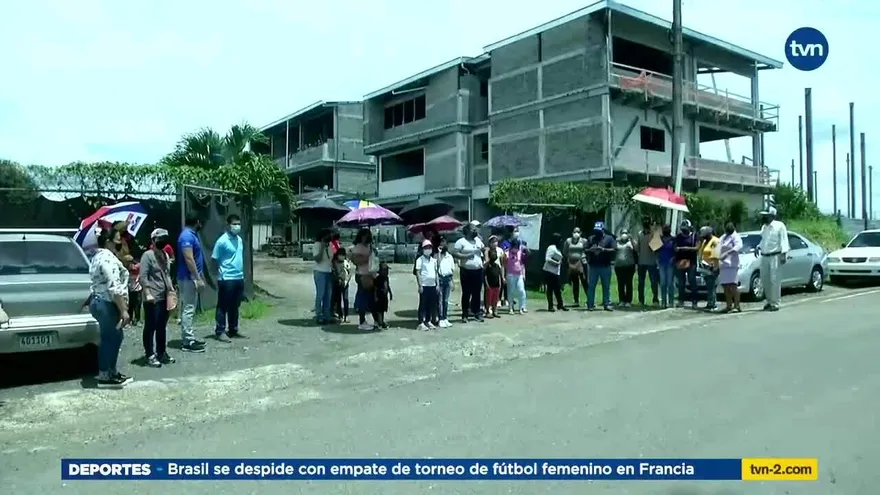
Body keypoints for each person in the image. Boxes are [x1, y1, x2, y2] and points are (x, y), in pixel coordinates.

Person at [88, 226, 132, 388]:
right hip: (107, 302)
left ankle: (111, 371)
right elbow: (114, 287)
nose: (120, 242)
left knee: (116, 336)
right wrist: (124, 310)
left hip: (101, 301)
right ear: (108, 241)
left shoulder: (97, 256)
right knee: (110, 338)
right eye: (117, 239)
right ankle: (105, 375)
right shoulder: (107, 258)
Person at [140, 228, 176, 368]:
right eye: (159, 238)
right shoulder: (147, 256)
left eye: (164, 238)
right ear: (153, 240)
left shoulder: (165, 255)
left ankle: (161, 352)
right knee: (151, 326)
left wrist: (171, 291)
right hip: (152, 296)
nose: (162, 241)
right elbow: (143, 276)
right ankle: (149, 354)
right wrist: (147, 292)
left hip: (164, 295)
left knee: (162, 326)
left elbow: (167, 274)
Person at [212, 214, 246, 339]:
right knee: (223, 305)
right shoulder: (222, 241)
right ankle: (220, 331)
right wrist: (219, 274)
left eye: (239, 224)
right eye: (234, 224)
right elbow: (214, 259)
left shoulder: (239, 240)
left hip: (239, 277)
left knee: (235, 305)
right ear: (228, 225)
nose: (237, 226)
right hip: (226, 278)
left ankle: (233, 329)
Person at [177, 214, 207, 353]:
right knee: (188, 309)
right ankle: (188, 341)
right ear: (197, 222)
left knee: (190, 308)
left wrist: (200, 276)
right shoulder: (187, 236)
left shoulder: (191, 235)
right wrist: (197, 278)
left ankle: (190, 337)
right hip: (188, 278)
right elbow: (189, 258)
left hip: (191, 277)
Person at [756, 206, 789, 312]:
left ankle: (775, 303)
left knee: (774, 280)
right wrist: (758, 246)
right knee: (765, 279)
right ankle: (769, 301)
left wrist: (784, 254)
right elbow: (764, 240)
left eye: (766, 215)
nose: (764, 217)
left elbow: (784, 240)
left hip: (775, 256)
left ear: (772, 216)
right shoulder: (764, 227)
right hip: (764, 256)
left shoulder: (779, 226)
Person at [452, 222, 485, 323]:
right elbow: (454, 253)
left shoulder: (478, 241)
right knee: (466, 293)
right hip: (466, 271)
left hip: (478, 270)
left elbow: (483, 249)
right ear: (467, 231)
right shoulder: (461, 242)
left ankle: (477, 313)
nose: (475, 231)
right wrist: (466, 256)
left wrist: (482, 250)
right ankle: (465, 314)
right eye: (473, 229)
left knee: (477, 293)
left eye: (476, 229)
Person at [350, 228, 381, 330]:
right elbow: (355, 261)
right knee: (363, 299)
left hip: (370, 274)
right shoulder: (358, 247)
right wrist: (368, 257)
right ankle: (362, 321)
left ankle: (376, 321)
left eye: (367, 236)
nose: (365, 238)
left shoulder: (370, 246)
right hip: (362, 275)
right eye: (363, 236)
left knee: (371, 299)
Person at [585, 221, 616, 311]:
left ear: (603, 230)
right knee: (591, 286)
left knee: (606, 286)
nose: (597, 232)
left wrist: (603, 249)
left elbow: (614, 249)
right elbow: (585, 249)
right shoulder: (591, 238)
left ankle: (607, 304)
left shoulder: (609, 238)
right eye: (596, 231)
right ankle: (590, 304)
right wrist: (591, 250)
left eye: (598, 231)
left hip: (605, 266)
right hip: (593, 266)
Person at [718, 222, 744, 313]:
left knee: (733, 286)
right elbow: (717, 246)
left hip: (732, 265)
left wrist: (727, 253)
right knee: (725, 286)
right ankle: (728, 305)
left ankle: (737, 306)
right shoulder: (723, 237)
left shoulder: (736, 236)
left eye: (730, 226)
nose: (728, 227)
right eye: (727, 226)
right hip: (723, 265)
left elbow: (738, 246)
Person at [634, 218, 660, 306]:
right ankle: (641, 300)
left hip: (651, 262)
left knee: (653, 282)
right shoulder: (640, 234)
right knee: (641, 282)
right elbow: (637, 249)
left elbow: (655, 248)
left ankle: (655, 300)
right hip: (641, 262)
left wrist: (652, 235)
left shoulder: (654, 234)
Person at [674, 220, 699, 309]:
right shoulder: (678, 237)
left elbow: (697, 248)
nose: (684, 230)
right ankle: (681, 300)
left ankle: (694, 301)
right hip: (680, 261)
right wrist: (677, 249)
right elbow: (675, 247)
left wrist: (685, 248)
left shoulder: (694, 236)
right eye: (683, 229)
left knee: (692, 281)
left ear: (690, 228)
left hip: (691, 262)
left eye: (686, 229)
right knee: (681, 282)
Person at [415, 240, 439, 330]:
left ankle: (428, 321)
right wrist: (420, 285)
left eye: (429, 247)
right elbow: (418, 273)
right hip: (424, 285)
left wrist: (437, 285)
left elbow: (436, 273)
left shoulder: (433, 260)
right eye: (426, 248)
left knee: (431, 304)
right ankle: (421, 322)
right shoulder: (420, 260)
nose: (428, 249)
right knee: (423, 304)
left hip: (432, 285)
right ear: (422, 249)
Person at [312, 228, 334, 325]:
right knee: (320, 294)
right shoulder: (317, 245)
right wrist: (322, 247)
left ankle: (326, 315)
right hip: (319, 271)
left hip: (328, 271)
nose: (330, 237)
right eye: (328, 235)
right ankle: (319, 315)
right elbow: (318, 259)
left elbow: (331, 258)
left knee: (328, 295)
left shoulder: (330, 245)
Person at [697, 226, 721, 311]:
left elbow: (716, 254)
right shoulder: (704, 242)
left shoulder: (715, 241)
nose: (703, 237)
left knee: (712, 286)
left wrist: (715, 267)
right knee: (709, 286)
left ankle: (713, 304)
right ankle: (709, 302)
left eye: (704, 235)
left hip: (712, 266)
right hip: (705, 266)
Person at [563, 227, 589, 307]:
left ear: (580, 233)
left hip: (582, 263)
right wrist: (569, 258)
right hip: (572, 263)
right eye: (574, 231)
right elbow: (565, 251)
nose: (576, 233)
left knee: (584, 281)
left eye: (578, 232)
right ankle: (576, 301)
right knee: (575, 282)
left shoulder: (584, 241)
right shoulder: (568, 241)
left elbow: (587, 250)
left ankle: (590, 300)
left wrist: (583, 257)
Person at [543, 233, 567, 312]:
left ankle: (560, 304)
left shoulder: (558, 249)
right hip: (549, 271)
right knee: (550, 289)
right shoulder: (551, 248)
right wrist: (556, 263)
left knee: (557, 289)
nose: (561, 241)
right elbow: (547, 259)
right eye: (559, 239)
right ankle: (550, 306)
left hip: (556, 272)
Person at [436, 238, 456, 328]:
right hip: (439, 278)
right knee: (440, 300)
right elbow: (437, 266)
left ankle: (445, 318)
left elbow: (451, 270)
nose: (442, 244)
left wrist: (452, 282)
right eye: (441, 243)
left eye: (444, 243)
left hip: (447, 279)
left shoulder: (449, 256)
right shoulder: (436, 256)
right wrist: (439, 254)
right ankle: (440, 318)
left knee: (446, 300)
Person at [656, 224, 677, 309]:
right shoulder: (659, 239)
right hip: (661, 263)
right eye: (664, 229)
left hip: (670, 264)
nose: (665, 230)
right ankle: (663, 302)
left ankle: (671, 302)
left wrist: (674, 258)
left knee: (670, 283)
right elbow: (654, 249)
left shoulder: (673, 239)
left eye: (667, 228)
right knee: (663, 283)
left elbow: (676, 251)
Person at [614, 229, 636, 307]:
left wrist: (632, 240)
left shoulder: (631, 242)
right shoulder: (617, 242)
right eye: (623, 233)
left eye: (626, 233)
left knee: (629, 283)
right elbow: (613, 249)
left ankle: (628, 301)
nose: (624, 234)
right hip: (619, 266)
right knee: (620, 283)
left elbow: (636, 249)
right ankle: (622, 300)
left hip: (629, 266)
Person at [484, 235, 506, 313]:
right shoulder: (487, 251)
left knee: (497, 292)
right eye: (493, 242)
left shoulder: (500, 251)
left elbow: (502, 265)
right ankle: (487, 309)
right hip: (489, 272)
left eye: (496, 241)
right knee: (489, 292)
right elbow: (485, 262)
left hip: (497, 272)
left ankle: (494, 309)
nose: (495, 243)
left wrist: (503, 276)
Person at [505, 239, 527, 315]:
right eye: (514, 247)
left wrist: (524, 274)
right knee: (511, 291)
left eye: (517, 248)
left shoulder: (520, 253)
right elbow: (504, 264)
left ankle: (521, 307)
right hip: (510, 274)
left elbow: (522, 264)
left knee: (521, 290)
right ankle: (511, 307)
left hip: (519, 274)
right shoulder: (507, 253)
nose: (516, 249)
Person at [331, 248, 352, 323]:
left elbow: (350, 272)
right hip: (337, 284)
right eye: (340, 255)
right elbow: (333, 273)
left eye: (343, 255)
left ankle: (346, 315)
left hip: (345, 284)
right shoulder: (334, 263)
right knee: (338, 300)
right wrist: (338, 279)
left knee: (345, 299)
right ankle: (340, 315)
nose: (341, 257)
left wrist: (347, 280)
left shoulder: (346, 262)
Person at [374, 262, 392, 329]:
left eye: (387, 270)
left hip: (385, 296)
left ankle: (381, 321)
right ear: (381, 271)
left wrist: (390, 293)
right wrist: (375, 297)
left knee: (383, 310)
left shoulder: (386, 278)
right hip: (379, 296)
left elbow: (387, 286)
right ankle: (380, 323)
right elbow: (375, 288)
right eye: (385, 270)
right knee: (379, 311)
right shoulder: (378, 279)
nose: (387, 272)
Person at [127, 258, 142, 326]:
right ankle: (129, 319)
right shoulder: (127, 271)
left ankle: (137, 319)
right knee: (130, 305)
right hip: (129, 290)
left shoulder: (138, 268)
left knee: (137, 305)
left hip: (137, 290)